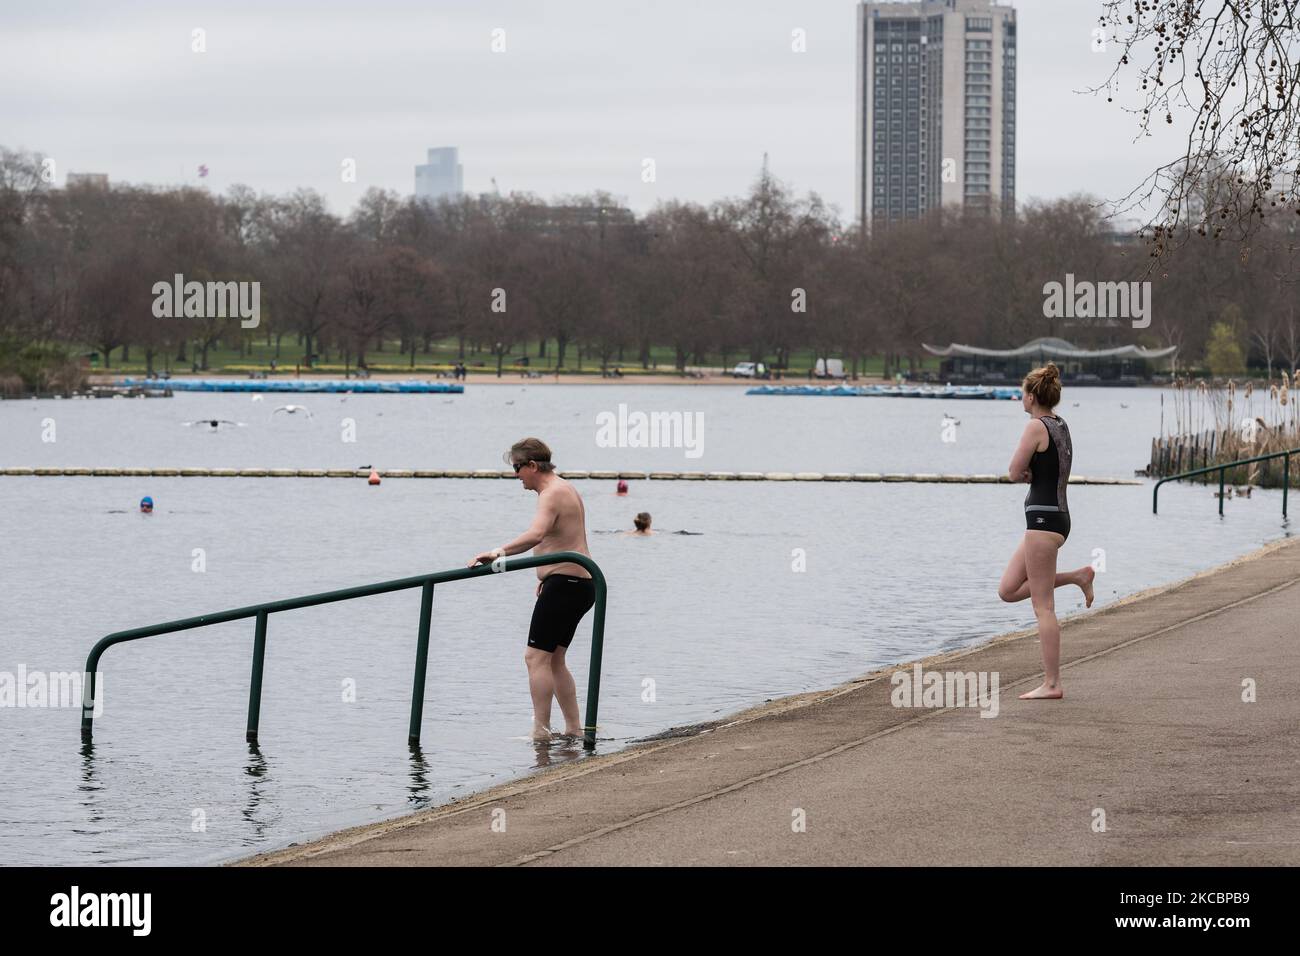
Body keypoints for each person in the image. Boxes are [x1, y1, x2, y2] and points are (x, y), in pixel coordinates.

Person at [468, 438, 595, 742]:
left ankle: (541, 732)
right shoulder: (566, 488)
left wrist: (498, 552)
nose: (516, 475)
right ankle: (574, 729)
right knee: (554, 659)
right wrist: (545, 575)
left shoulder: (551, 493)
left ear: (533, 465)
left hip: (566, 583)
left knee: (534, 657)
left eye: (517, 468)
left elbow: (536, 535)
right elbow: (563, 538)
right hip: (579, 583)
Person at [998, 362, 1095, 701]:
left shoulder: (1035, 427)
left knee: (1044, 607)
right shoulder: (1060, 424)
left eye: (1023, 394)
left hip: (1042, 522)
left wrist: (1024, 473)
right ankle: (1078, 576)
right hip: (1056, 518)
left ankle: (1052, 684)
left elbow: (1013, 471)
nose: (1020, 399)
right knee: (1008, 590)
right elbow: (1049, 466)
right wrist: (1031, 472)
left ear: (1032, 396)